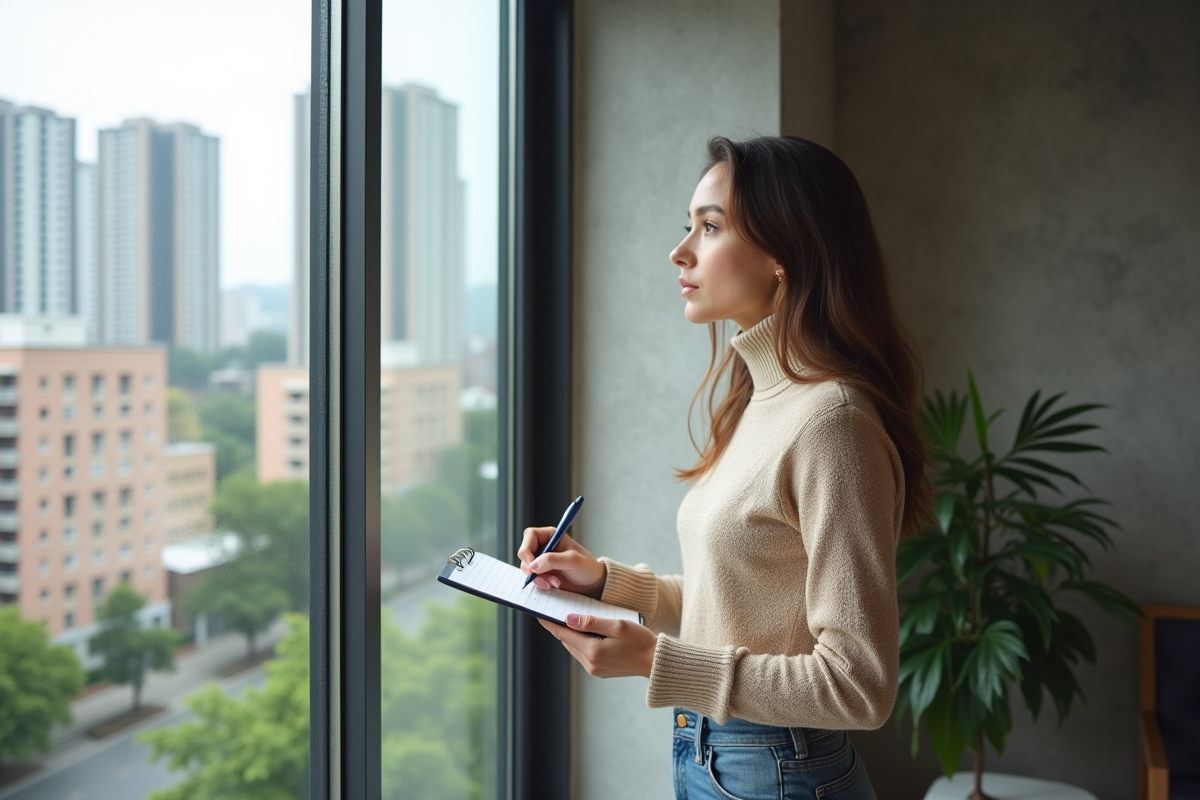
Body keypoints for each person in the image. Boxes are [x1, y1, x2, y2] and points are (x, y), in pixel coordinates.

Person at [519, 135, 930, 800]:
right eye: (689, 227)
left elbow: (860, 685)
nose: (680, 251)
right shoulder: (760, 399)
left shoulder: (834, 422)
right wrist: (605, 582)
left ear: (783, 254)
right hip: (723, 755)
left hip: (778, 769)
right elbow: (740, 607)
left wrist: (656, 660)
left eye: (709, 227)